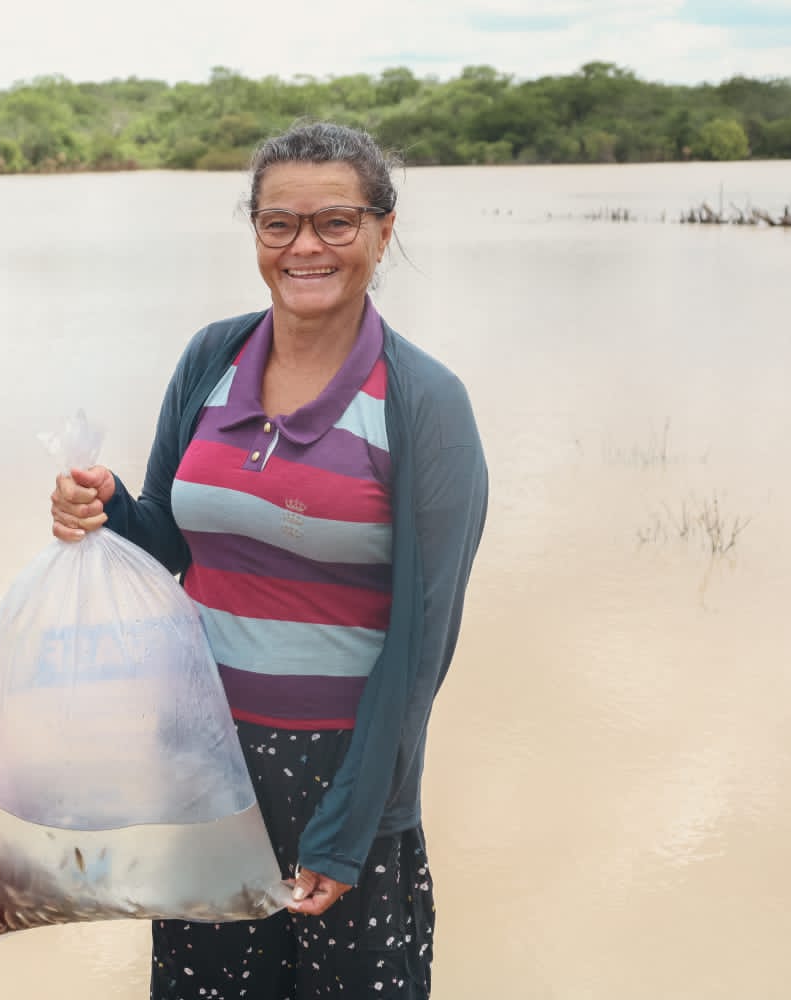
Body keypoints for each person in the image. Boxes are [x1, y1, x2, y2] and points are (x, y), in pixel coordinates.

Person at [49, 122, 487, 999]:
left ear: (383, 231)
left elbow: (420, 647)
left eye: (336, 221)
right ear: (254, 232)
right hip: (203, 759)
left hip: (344, 775)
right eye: (279, 223)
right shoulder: (212, 358)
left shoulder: (424, 402)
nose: (306, 247)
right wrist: (102, 508)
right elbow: (170, 542)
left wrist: (349, 829)